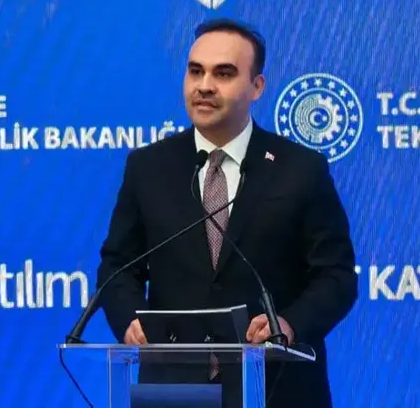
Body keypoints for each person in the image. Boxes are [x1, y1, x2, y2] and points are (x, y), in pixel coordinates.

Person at [96, 17, 357, 408]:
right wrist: (130, 320)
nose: (204, 85)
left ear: (257, 86)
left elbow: (336, 276)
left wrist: (288, 324)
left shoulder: (300, 169)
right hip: (176, 389)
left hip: (278, 387)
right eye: (195, 71)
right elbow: (117, 267)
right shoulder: (148, 167)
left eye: (223, 73)